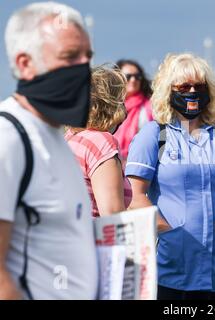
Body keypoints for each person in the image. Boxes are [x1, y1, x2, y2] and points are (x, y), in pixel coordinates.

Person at [0, 2, 98, 299]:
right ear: (25, 63)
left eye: (87, 57)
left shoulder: (54, 132)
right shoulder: (9, 137)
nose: (84, 69)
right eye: (70, 57)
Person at [125, 53, 215, 300]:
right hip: (170, 268)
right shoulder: (155, 134)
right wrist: (169, 231)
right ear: (169, 90)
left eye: (199, 86)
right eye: (184, 86)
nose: (192, 92)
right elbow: (134, 197)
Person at [65, 65, 132, 217]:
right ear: (110, 104)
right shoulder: (101, 142)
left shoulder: (70, 137)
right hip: (93, 238)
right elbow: (112, 215)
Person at [114, 59, 153, 161]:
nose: (133, 80)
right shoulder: (110, 109)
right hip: (115, 164)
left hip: (143, 162)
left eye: (137, 76)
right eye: (128, 76)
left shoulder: (150, 107)